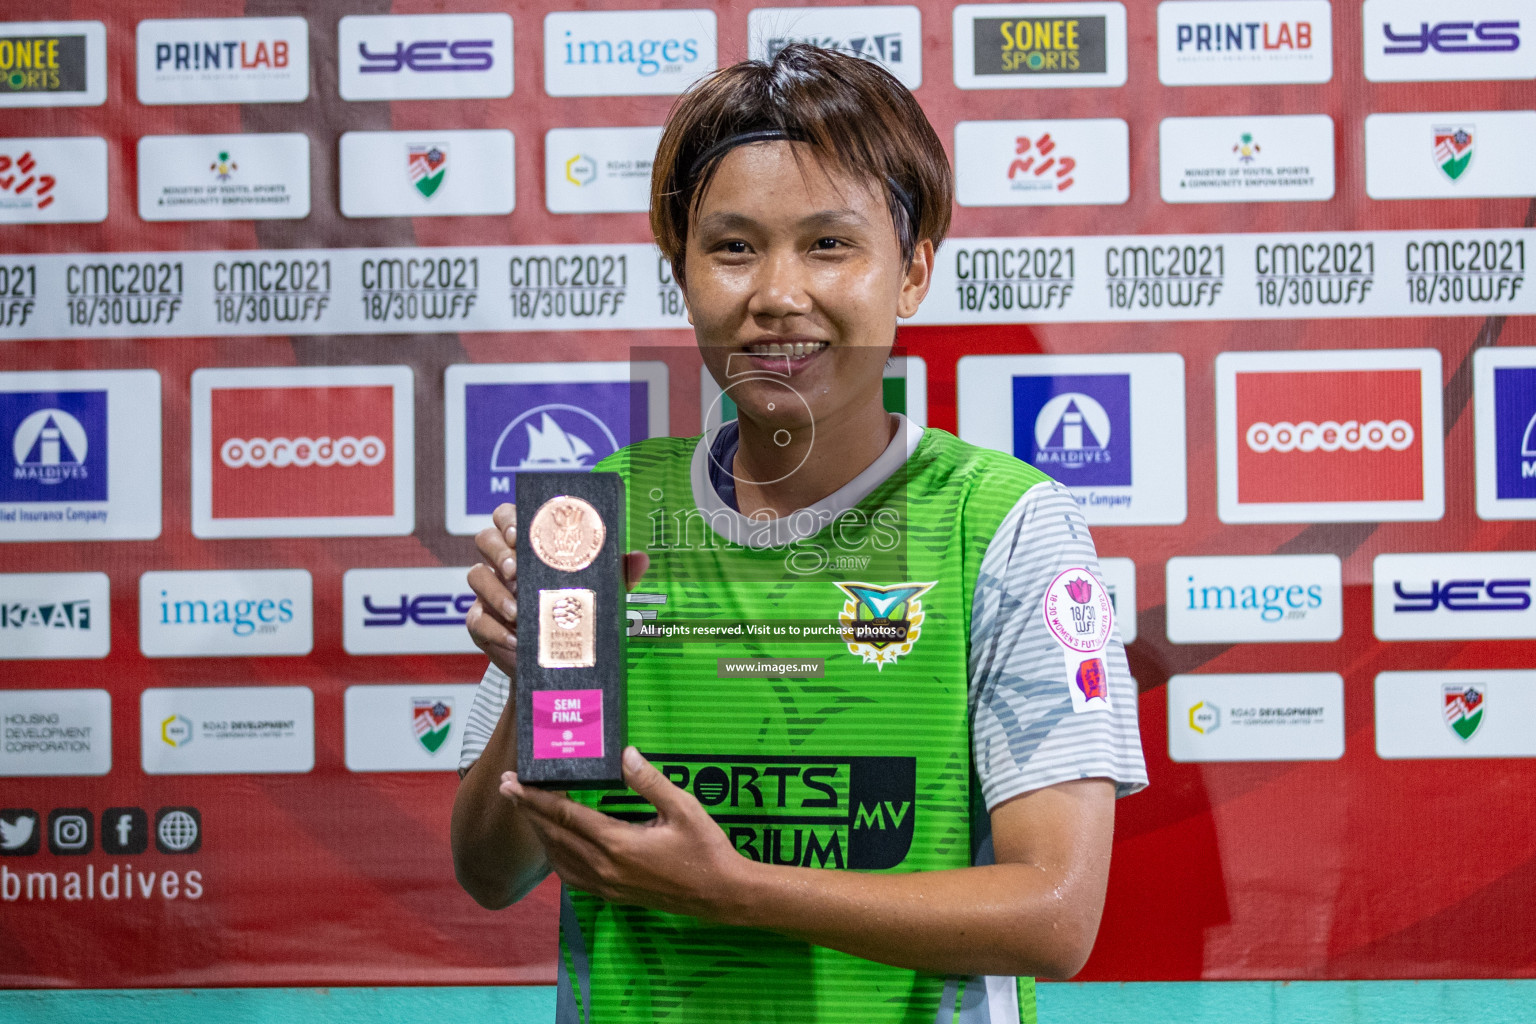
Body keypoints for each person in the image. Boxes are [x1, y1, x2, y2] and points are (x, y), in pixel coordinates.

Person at [452, 44, 1146, 1024]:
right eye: (733, 248)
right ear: (681, 271)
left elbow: (1055, 912)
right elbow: (490, 869)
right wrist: (537, 682)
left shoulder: (1000, 525)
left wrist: (735, 889)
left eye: (828, 245)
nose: (777, 292)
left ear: (910, 273)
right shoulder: (598, 514)